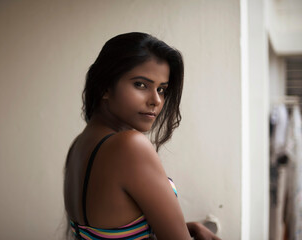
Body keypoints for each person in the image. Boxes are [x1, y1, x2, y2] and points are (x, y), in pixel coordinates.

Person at [64, 32, 221, 240]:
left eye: (162, 89)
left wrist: (185, 227)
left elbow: (111, 226)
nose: (156, 100)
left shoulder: (80, 145)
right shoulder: (129, 146)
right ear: (105, 87)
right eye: (141, 84)